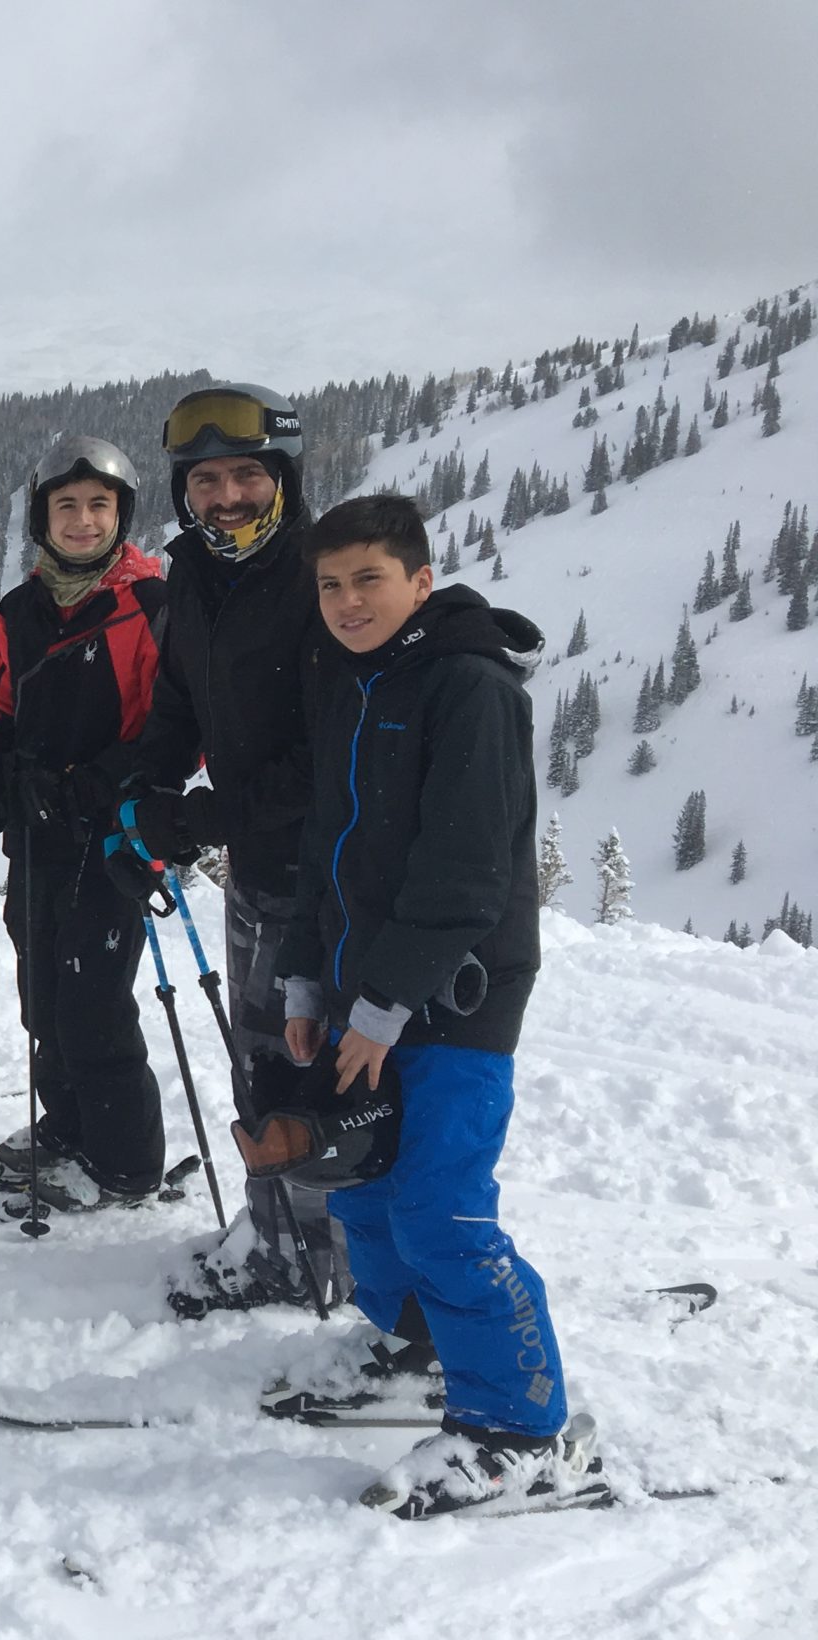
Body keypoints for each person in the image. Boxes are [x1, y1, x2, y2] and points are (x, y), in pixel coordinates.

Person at [270, 490, 593, 1518]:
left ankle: (519, 1431)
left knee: (439, 1207)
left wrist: (382, 1007)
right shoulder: (358, 683)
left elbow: (462, 875)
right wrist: (305, 980)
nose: (347, 600)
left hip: (454, 997)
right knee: (361, 1185)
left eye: (369, 579)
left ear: (419, 580)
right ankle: (417, 1348)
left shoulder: (468, 685)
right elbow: (329, 849)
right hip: (364, 989)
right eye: (330, 584)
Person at [100, 382, 352, 1313]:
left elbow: (331, 757)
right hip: (256, 871)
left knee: (312, 1072)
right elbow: (177, 706)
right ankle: (278, 1237)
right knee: (260, 1062)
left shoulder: (319, 579)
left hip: (328, 885)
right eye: (206, 480)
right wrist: (148, 796)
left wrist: (206, 819)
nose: (227, 497)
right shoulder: (197, 577)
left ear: (280, 477)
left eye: (247, 475)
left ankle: (333, 1254)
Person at [0, 436, 168, 1207]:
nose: (82, 521)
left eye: (98, 506)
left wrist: (95, 785)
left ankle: (125, 1163)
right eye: (66, 506)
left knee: (94, 1003)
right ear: (42, 516)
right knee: (43, 993)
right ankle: (68, 1131)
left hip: (112, 841)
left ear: (122, 515)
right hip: (37, 837)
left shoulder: (147, 605)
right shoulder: (21, 610)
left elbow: (172, 732)